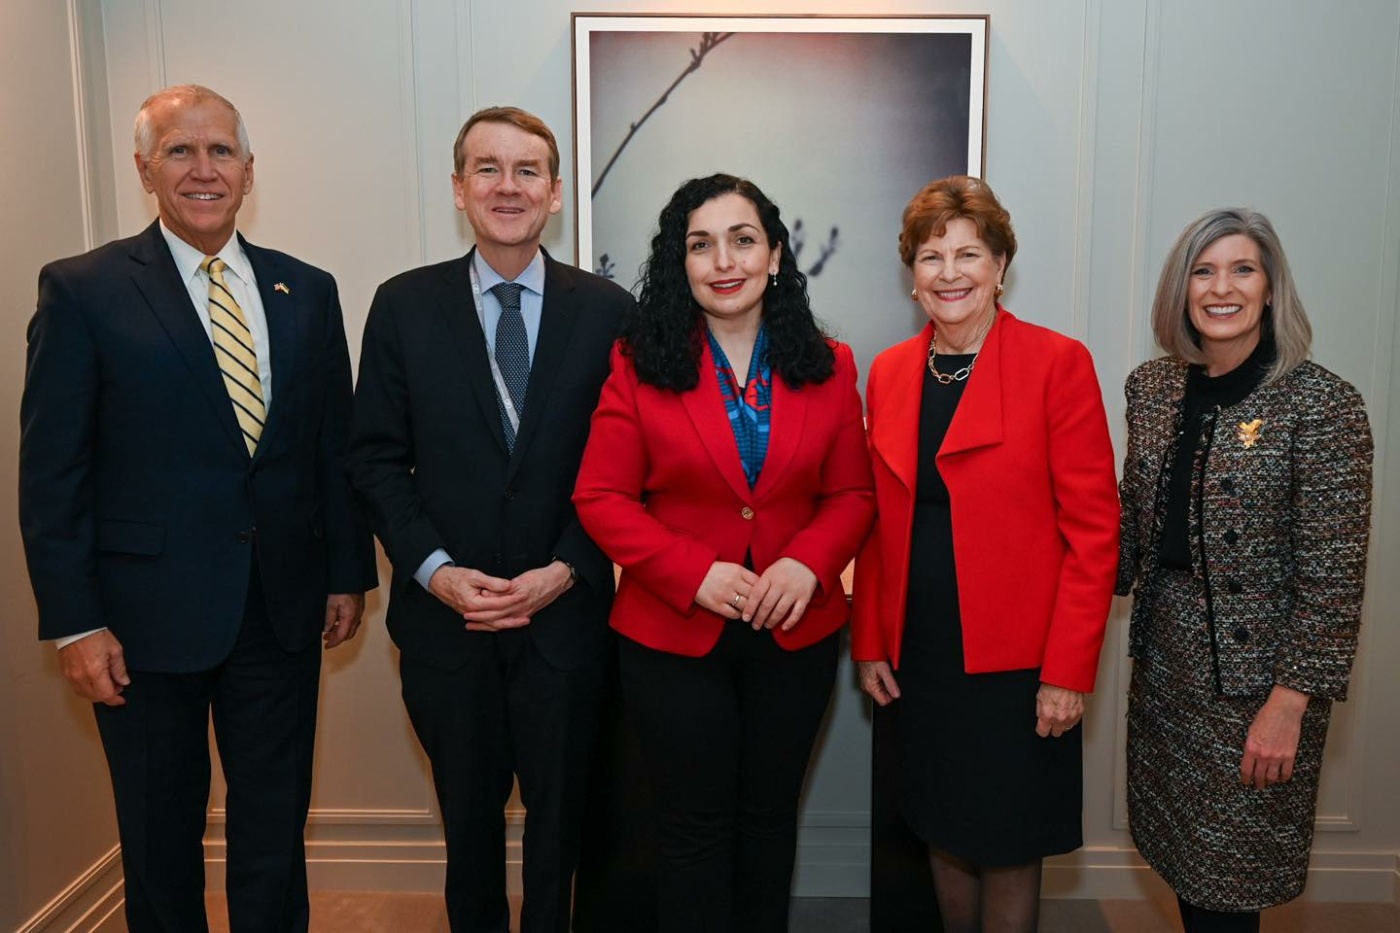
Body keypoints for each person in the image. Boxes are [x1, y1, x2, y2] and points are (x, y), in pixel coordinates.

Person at [18, 84, 376, 933]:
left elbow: (331, 446)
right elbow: (52, 472)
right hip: (140, 622)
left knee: (273, 829)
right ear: (145, 169)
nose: (203, 169)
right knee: (159, 838)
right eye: (180, 150)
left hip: (280, 610)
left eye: (221, 151)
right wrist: (75, 624)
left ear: (250, 170)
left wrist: (346, 572)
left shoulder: (307, 290)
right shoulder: (83, 290)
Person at [346, 106, 634, 933]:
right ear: (459, 188)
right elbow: (374, 459)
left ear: (555, 194)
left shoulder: (609, 310)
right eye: (488, 168)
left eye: (527, 171)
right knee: (467, 829)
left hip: (567, 623)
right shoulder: (403, 305)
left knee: (561, 831)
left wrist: (567, 568)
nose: (508, 187)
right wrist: (436, 572)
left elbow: (629, 465)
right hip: (448, 627)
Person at [572, 173, 876, 933]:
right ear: (680, 263)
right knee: (691, 827)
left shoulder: (831, 363)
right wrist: (693, 572)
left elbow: (853, 495)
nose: (724, 261)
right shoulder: (638, 360)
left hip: (795, 631)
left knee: (770, 820)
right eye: (700, 245)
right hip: (672, 634)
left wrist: (807, 563)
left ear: (775, 254)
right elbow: (600, 497)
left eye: (742, 240)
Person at [852, 175, 1120, 933]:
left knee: (1007, 843)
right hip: (921, 657)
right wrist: (869, 640)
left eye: (969, 254)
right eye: (931, 256)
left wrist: (1068, 671)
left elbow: (1095, 533)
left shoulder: (1057, 363)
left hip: (1018, 666)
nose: (950, 273)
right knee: (941, 828)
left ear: (1001, 266)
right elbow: (877, 520)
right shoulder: (891, 371)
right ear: (912, 274)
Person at [1117, 208, 1373, 932]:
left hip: (1259, 688)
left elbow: (1333, 578)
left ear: (1270, 288)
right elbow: (1128, 527)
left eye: (1242, 270)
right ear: (1181, 288)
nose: (1221, 288)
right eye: (1203, 271)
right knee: (1187, 865)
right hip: (1166, 669)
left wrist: (1288, 705)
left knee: (1229, 882)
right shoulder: (1153, 388)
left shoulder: (1322, 403)